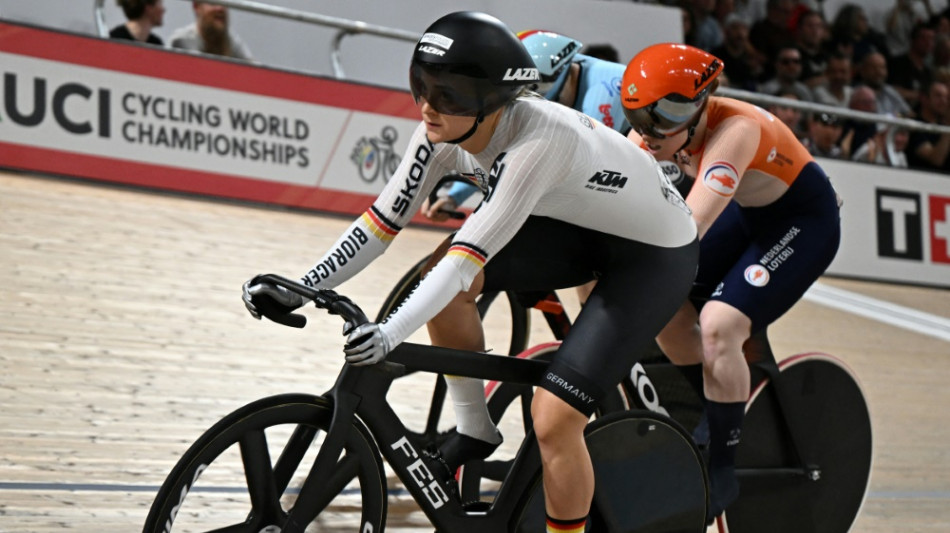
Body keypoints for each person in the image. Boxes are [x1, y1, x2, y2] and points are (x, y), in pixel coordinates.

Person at [242, 12, 699, 533]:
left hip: (652, 254)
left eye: (450, 95)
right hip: (579, 225)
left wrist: (390, 334)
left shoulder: (535, 145)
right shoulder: (438, 130)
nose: (429, 107)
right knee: (437, 273)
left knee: (553, 419)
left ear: (492, 103)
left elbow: (465, 265)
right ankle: (475, 428)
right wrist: (305, 288)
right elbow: (380, 224)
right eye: (422, 87)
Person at [621, 43, 842, 521]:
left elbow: (688, 229)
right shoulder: (657, 132)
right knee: (664, 305)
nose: (651, 131)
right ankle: (713, 408)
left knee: (720, 324)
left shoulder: (733, 131)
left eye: (667, 115)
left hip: (804, 222)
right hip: (750, 213)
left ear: (701, 105)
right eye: (638, 116)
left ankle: (722, 461)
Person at [424, 29, 631, 215]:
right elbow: (504, 145)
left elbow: (588, 166)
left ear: (563, 75)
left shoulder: (602, 96)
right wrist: (453, 197)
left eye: (548, 100)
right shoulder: (552, 79)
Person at [168, 1, 252, 60]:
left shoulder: (230, 39)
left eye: (224, 2)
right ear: (196, 6)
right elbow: (199, 71)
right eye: (213, 2)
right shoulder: (181, 40)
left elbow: (253, 69)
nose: (220, 8)